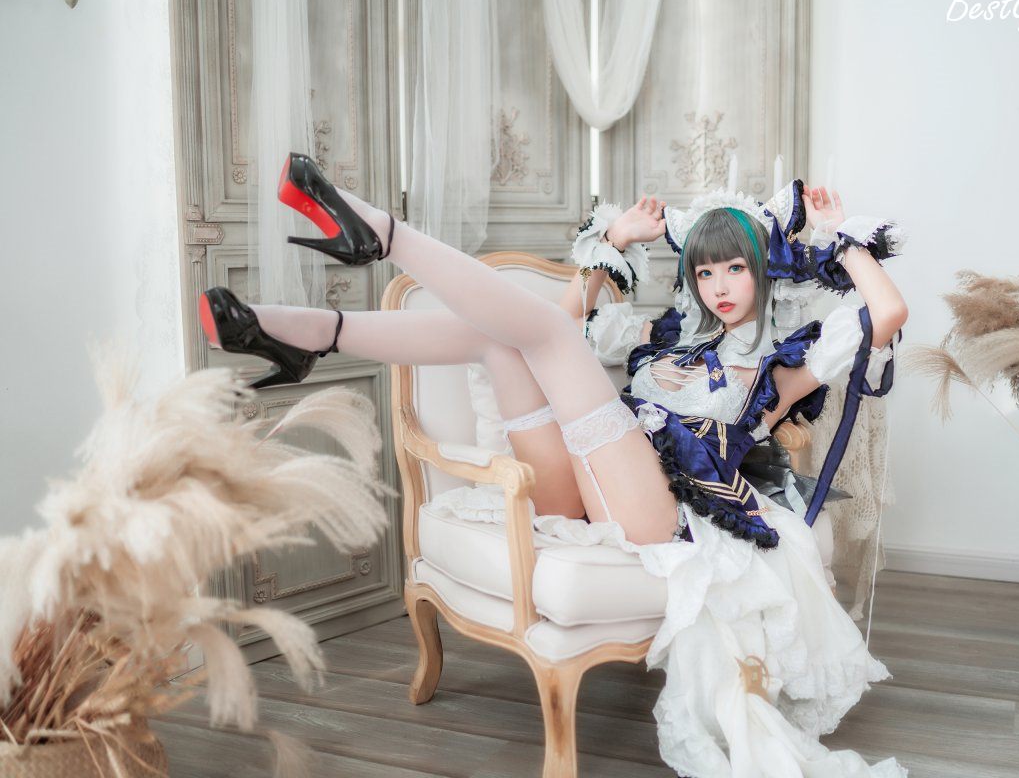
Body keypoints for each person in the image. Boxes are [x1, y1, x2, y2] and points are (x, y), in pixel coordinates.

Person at [200, 152, 909, 777]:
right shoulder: (666, 340)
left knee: (535, 333)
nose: (720, 284)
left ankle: (379, 239)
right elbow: (560, 321)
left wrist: (839, 238)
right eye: (705, 270)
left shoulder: (782, 365)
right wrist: (616, 241)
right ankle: (302, 336)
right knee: (498, 342)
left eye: (736, 269)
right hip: (583, 492)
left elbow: (887, 312)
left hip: (664, 511)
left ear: (762, 273)